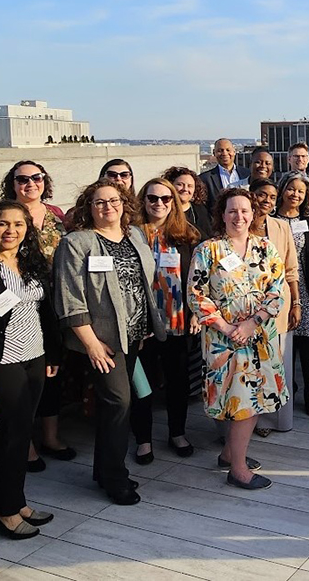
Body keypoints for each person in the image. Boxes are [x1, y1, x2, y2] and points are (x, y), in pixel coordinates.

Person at [53, 179, 166, 505]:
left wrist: (143, 326)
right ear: (89, 207)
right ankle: (116, 478)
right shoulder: (77, 243)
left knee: (113, 406)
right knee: (119, 404)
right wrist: (90, 343)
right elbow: (69, 298)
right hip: (103, 342)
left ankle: (103, 470)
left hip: (133, 337)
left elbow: (144, 284)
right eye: (99, 202)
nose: (108, 207)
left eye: (114, 200)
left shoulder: (135, 236)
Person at [0, 201, 62, 540]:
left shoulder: (31, 262)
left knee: (23, 433)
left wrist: (52, 353)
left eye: (18, 224)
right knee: (13, 435)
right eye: (2, 224)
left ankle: (17, 502)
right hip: (1, 361)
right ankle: (3, 512)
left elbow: (45, 311)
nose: (10, 231)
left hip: (35, 356)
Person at [188, 188, 287, 490]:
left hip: (260, 338)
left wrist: (252, 322)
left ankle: (230, 453)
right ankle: (239, 470)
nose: (239, 216)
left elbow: (276, 289)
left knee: (253, 400)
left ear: (254, 214)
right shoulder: (208, 250)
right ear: (221, 214)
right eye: (232, 210)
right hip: (224, 341)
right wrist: (228, 327)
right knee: (240, 402)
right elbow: (197, 295)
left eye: (245, 210)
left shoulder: (265, 247)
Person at [0, 160, 75, 474]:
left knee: (52, 373)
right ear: (12, 183)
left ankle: (51, 437)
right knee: (24, 379)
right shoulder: (5, 215)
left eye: (36, 177)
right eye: (22, 179)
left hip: (56, 303)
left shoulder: (57, 215)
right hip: (20, 306)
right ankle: (26, 445)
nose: (30, 183)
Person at [130, 178, 204, 464]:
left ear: (173, 202)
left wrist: (196, 311)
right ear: (143, 201)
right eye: (152, 198)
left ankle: (177, 433)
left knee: (178, 382)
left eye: (165, 198)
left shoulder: (187, 234)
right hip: (142, 323)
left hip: (178, 321)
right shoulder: (132, 235)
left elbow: (197, 277)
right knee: (142, 385)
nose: (158, 203)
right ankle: (143, 440)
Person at [249, 175, 300, 435]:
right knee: (253, 367)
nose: (267, 201)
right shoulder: (239, 225)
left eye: (271, 196)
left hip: (279, 308)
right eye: (262, 195)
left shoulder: (281, 227)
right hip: (246, 312)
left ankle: (273, 420)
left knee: (277, 365)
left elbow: (291, 269)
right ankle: (251, 420)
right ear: (251, 194)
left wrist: (296, 303)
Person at [275, 171, 309, 416]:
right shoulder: (270, 219)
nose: (295, 194)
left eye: (301, 191)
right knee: (283, 342)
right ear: (282, 189)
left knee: (307, 339)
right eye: (291, 189)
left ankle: (308, 386)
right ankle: (287, 384)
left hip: (306, 286)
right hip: (278, 288)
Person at [162, 165, 213, 238]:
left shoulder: (201, 210)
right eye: (180, 185)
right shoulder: (164, 210)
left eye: (190, 186)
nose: (185, 189)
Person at [199, 138, 249, 211]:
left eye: (228, 150)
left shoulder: (247, 174)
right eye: (220, 150)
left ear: (234, 152)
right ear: (214, 153)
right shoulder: (205, 179)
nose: (225, 153)